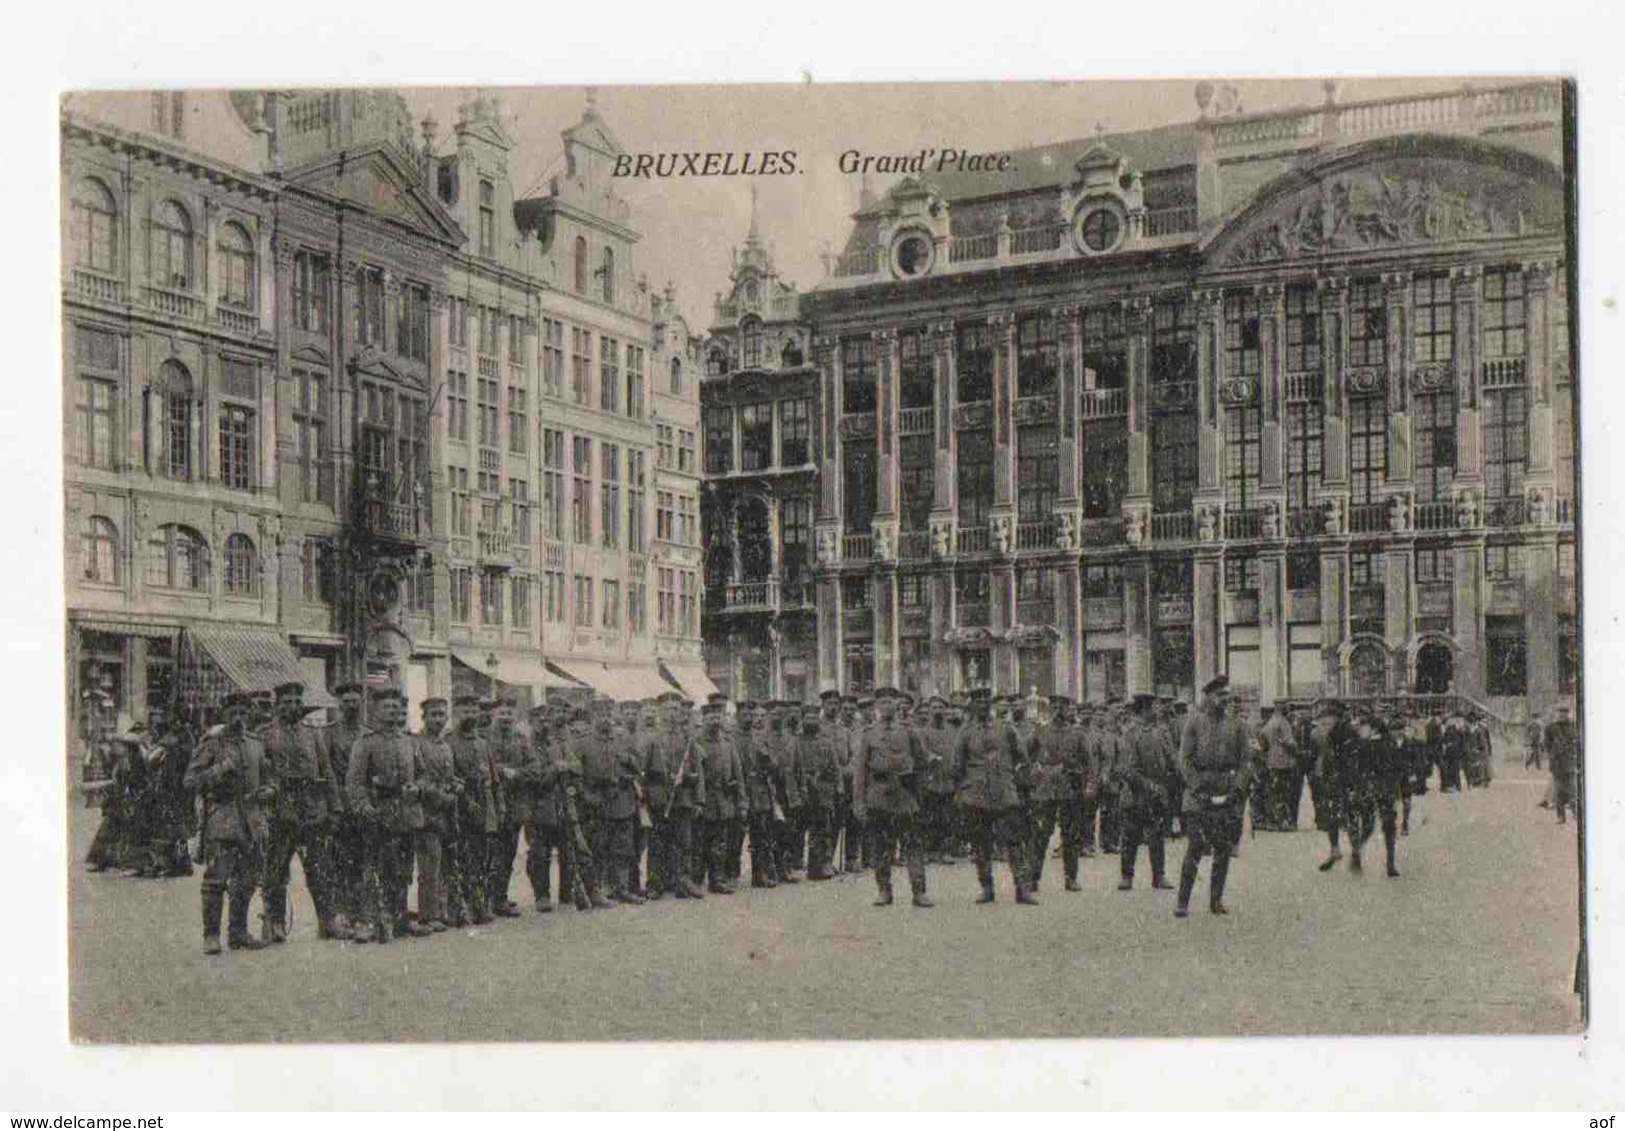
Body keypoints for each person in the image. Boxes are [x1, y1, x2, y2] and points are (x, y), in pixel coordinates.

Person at [183, 692, 273, 954]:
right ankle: (211, 936)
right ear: (224, 715)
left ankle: (238, 933)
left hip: (252, 820)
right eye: (233, 713)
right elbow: (190, 780)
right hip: (222, 819)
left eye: (244, 713)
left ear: (250, 715)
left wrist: (269, 790)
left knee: (247, 879)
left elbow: (268, 778)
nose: (238, 718)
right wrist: (221, 769)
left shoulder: (256, 743)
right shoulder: (211, 743)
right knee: (216, 879)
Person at [345, 689, 430, 943]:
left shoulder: (409, 742)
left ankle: (400, 918)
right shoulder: (365, 743)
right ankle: (372, 921)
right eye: (387, 707)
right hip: (378, 813)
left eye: (396, 706)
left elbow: (424, 775)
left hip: (406, 813)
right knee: (375, 868)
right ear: (375, 711)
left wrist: (418, 787)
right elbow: (354, 782)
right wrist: (364, 809)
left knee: (404, 869)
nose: (393, 711)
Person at [261, 681, 341, 942]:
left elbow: (326, 770)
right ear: (277, 706)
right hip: (280, 809)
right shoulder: (266, 734)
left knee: (320, 867)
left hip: (311, 808)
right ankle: (274, 922)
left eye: (297, 702)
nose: (293, 707)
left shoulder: (312, 734)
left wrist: (334, 805)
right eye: (287, 703)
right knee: (276, 869)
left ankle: (327, 920)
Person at [1174, 676, 1251, 917]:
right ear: (1208, 696)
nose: (1223, 701)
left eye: (1226, 696)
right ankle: (1182, 902)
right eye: (1219, 696)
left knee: (1223, 848)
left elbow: (1246, 762)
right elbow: (1184, 760)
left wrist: (1237, 788)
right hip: (1198, 795)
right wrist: (1197, 787)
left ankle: (1215, 900)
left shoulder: (1237, 725)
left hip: (1226, 793)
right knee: (1195, 845)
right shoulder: (1193, 723)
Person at [853, 686, 932, 907]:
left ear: (897, 705)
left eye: (891, 702)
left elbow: (922, 763)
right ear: (877, 706)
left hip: (905, 795)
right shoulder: (868, 734)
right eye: (883, 703)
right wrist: (859, 802)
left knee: (913, 845)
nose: (887, 707)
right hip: (878, 795)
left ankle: (918, 892)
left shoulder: (909, 731)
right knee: (880, 847)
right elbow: (860, 771)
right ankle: (884, 891)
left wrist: (919, 791)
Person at [952, 691, 1034, 904]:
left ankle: (1022, 889)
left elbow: (1022, 757)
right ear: (971, 705)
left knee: (1015, 842)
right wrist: (964, 789)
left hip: (1004, 793)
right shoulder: (966, 732)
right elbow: (957, 764)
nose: (982, 705)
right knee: (981, 844)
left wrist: (1013, 780)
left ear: (990, 704)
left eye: (985, 701)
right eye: (977, 701)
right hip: (976, 795)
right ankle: (987, 888)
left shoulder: (1006, 729)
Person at [643, 692, 705, 900]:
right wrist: (646, 800)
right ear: (661, 712)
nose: (672, 715)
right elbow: (643, 773)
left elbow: (698, 771)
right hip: (659, 798)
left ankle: (682, 881)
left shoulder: (688, 740)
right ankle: (655, 883)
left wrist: (699, 798)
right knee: (658, 843)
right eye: (668, 710)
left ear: (681, 714)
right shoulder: (652, 740)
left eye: (676, 710)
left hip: (682, 798)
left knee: (683, 843)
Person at [447, 695, 496, 924]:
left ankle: (481, 904)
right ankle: (462, 907)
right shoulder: (449, 742)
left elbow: (492, 778)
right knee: (462, 858)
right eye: (466, 712)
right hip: (460, 806)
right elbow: (450, 777)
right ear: (457, 714)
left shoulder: (483, 743)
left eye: (474, 712)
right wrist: (467, 801)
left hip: (484, 804)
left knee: (483, 856)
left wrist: (498, 804)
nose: (471, 716)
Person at [1117, 693, 1174, 891]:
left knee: (1157, 835)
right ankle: (1127, 876)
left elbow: (1169, 761)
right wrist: (1149, 786)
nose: (1157, 711)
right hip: (1135, 793)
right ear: (1144, 709)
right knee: (1130, 835)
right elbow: (1126, 769)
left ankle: (1159, 876)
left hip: (1156, 792)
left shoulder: (1159, 732)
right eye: (1153, 707)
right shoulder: (1130, 733)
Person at [326, 682, 369, 938]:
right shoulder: (329, 734)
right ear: (339, 705)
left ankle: (362, 913)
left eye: (355, 701)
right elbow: (326, 771)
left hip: (362, 806)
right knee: (339, 862)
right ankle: (341, 913)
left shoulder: (368, 733)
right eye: (346, 702)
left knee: (363, 862)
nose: (351, 706)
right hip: (340, 806)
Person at [413, 697, 458, 932]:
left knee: (443, 864)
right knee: (429, 864)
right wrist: (441, 796)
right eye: (433, 715)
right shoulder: (417, 743)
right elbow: (420, 778)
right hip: (426, 812)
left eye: (442, 715)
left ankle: (441, 910)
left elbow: (447, 776)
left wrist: (455, 785)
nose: (438, 719)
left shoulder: (445, 745)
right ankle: (428, 914)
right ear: (424, 718)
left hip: (446, 812)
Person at [693, 695, 746, 893]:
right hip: (704, 801)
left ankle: (717, 879)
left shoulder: (728, 743)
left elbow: (738, 774)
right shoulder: (696, 743)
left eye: (717, 717)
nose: (714, 721)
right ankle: (697, 880)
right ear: (704, 720)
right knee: (700, 843)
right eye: (710, 718)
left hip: (724, 801)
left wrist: (741, 802)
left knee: (720, 843)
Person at [1029, 696, 1082, 892]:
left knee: (1070, 835)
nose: (1059, 709)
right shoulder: (1040, 731)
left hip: (1068, 788)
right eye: (1055, 705)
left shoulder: (1076, 734)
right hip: (1045, 789)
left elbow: (1086, 760)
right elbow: (1028, 754)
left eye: (1063, 705)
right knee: (1041, 834)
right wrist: (1036, 773)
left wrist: (1078, 775)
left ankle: (1071, 878)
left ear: (1068, 708)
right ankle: (1033, 878)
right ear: (1050, 708)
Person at [797, 704, 841, 879]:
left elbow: (835, 767)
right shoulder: (797, 741)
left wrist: (838, 786)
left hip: (823, 792)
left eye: (814, 718)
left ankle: (819, 866)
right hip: (803, 790)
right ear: (803, 720)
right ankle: (796, 863)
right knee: (800, 829)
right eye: (808, 718)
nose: (811, 721)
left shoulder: (825, 742)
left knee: (822, 830)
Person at [1259, 704, 1300, 831]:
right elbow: (1289, 742)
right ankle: (1283, 822)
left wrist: (1269, 750)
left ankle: (1274, 821)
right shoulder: (1283, 723)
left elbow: (1262, 739)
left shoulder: (1270, 723)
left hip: (1272, 761)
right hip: (1285, 762)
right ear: (1284, 710)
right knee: (1286, 792)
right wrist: (1298, 752)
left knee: (1274, 792)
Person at [1545, 703, 1578, 825]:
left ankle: (1576, 813)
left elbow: (1577, 743)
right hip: (1557, 764)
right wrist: (1554, 756)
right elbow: (1547, 745)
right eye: (1560, 713)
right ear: (1557, 714)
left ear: (1567, 714)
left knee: (1573, 790)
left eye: (1564, 713)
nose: (1562, 715)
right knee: (1559, 791)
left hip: (1570, 763)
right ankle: (1561, 817)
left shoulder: (1574, 726)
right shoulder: (1550, 728)